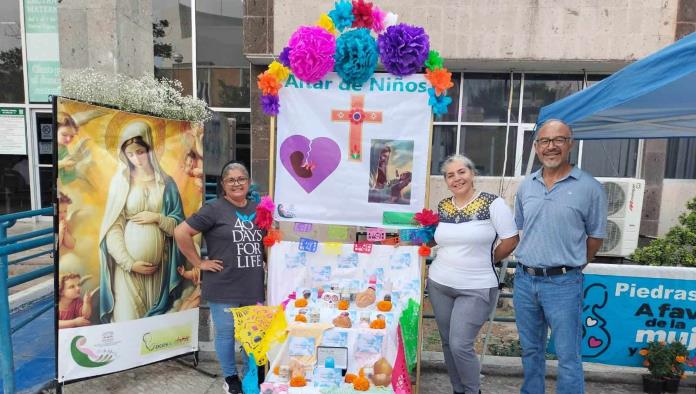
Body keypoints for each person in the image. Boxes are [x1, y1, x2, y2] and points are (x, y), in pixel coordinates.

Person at [514, 119, 607, 394]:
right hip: (524, 280)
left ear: (570, 144)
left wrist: (572, 264)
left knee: (568, 356)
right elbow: (522, 228)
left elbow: (596, 238)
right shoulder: (526, 186)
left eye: (559, 140)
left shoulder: (590, 188)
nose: (551, 146)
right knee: (530, 351)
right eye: (545, 141)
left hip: (564, 283)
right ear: (536, 146)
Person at [428, 154, 519, 394]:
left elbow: (511, 240)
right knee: (447, 343)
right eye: (450, 175)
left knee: (460, 344)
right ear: (446, 181)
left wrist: (488, 260)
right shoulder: (443, 206)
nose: (456, 178)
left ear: (472, 174)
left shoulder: (493, 203)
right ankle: (458, 389)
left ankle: (472, 390)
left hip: (476, 286)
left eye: (461, 172)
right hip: (439, 283)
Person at [174, 161, 265, 394]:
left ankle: (250, 376)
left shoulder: (258, 209)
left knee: (252, 335)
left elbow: (266, 240)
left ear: (248, 182)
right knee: (226, 334)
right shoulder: (214, 209)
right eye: (231, 180)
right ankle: (231, 378)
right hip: (223, 285)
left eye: (241, 179)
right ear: (223, 185)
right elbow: (181, 232)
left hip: (252, 285)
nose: (237, 183)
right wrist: (199, 263)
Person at [98, 120, 185, 323]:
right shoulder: (120, 183)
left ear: (150, 149)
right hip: (128, 270)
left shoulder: (167, 183)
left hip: (160, 269)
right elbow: (113, 228)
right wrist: (130, 263)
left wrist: (158, 218)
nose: (136, 158)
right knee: (126, 320)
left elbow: (180, 225)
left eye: (140, 151)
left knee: (154, 326)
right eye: (130, 154)